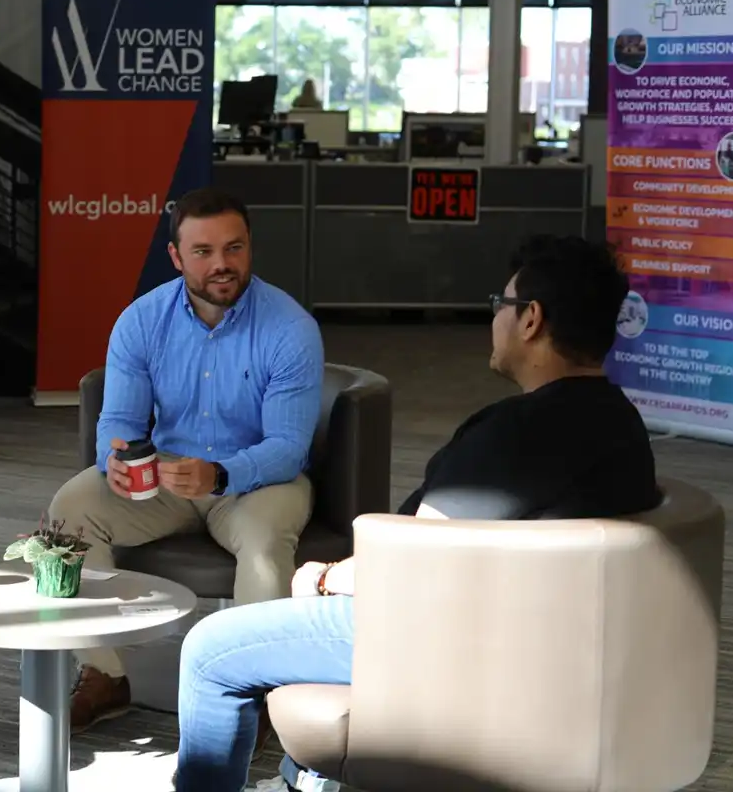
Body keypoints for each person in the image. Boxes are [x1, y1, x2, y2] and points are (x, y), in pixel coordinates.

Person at [172, 234, 662, 792]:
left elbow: (415, 561)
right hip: (536, 634)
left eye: (501, 305)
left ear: (531, 320)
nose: (494, 319)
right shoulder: (620, 423)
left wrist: (327, 578)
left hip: (442, 631)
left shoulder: (516, 435)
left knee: (211, 649)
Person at [47, 186, 324, 733]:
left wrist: (221, 474)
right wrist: (116, 462)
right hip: (170, 476)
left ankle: (249, 696)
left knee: (266, 548)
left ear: (249, 249)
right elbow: (119, 426)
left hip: (260, 478)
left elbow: (287, 449)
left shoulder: (290, 328)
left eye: (234, 248)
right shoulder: (141, 321)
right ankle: (104, 674)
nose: (222, 264)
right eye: (203, 252)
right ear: (176, 258)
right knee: (67, 512)